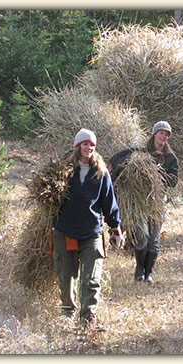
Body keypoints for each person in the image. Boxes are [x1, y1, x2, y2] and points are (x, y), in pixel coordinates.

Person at [52, 128, 124, 331]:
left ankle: (88, 316)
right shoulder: (63, 170)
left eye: (92, 145)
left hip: (91, 231)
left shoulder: (101, 172)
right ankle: (67, 313)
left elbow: (109, 202)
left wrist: (115, 228)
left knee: (91, 277)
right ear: (78, 146)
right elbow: (48, 198)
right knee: (66, 276)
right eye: (85, 144)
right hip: (65, 230)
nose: (89, 147)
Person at [109, 120, 179, 285]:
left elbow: (174, 180)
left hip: (157, 201)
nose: (163, 136)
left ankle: (148, 274)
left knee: (154, 239)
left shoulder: (170, 158)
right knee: (142, 235)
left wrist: (160, 176)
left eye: (166, 134)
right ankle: (139, 269)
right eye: (161, 132)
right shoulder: (141, 152)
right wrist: (111, 165)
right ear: (155, 134)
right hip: (139, 201)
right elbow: (123, 157)